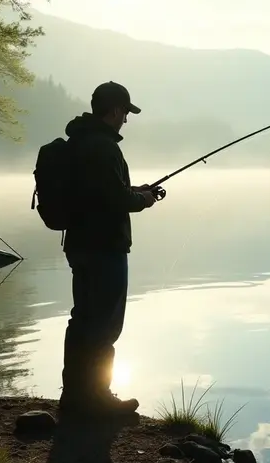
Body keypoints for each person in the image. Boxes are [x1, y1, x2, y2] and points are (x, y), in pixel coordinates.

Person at [58, 81, 162, 416]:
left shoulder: (80, 142)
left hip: (80, 245)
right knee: (105, 326)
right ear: (114, 109)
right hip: (105, 248)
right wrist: (143, 199)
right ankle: (98, 398)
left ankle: (74, 396)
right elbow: (114, 199)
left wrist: (135, 190)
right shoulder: (105, 147)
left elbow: (101, 192)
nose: (126, 121)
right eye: (125, 113)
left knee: (83, 320)